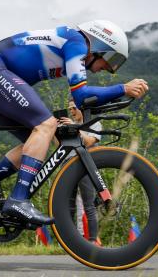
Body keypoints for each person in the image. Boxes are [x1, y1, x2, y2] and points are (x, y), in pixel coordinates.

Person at [0, 20, 149, 226]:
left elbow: (85, 100)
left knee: (40, 140)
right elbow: (80, 96)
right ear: (99, 46)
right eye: (108, 61)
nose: (102, 69)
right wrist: (122, 88)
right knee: (46, 125)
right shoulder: (77, 42)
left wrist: (116, 96)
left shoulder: (73, 42)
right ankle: (18, 199)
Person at [60, 99, 101, 243]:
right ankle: (71, 241)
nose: (71, 111)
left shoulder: (94, 123)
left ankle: (92, 241)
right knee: (68, 205)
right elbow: (59, 146)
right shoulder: (70, 124)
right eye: (69, 109)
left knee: (89, 205)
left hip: (85, 165)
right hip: (67, 164)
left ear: (82, 109)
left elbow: (89, 142)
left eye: (73, 108)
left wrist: (75, 128)